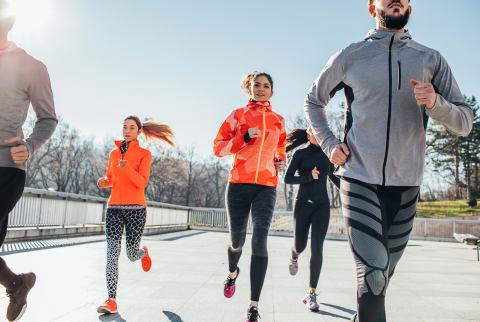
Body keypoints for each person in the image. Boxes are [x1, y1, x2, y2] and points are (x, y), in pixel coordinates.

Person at [304, 1, 473, 321]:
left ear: (410, 6)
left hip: (406, 186)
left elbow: (464, 122)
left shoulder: (430, 59)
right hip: (358, 178)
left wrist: (437, 103)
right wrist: (329, 144)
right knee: (373, 277)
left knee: (379, 281)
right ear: (372, 7)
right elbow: (313, 101)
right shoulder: (350, 56)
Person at [0, 1, 58, 321]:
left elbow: (48, 118)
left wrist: (32, 145)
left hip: (7, 167)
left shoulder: (31, 66)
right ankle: (17, 284)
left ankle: (16, 285)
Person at [213, 71, 286, 322]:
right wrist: (242, 139)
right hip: (239, 185)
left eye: (266, 86)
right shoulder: (238, 115)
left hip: (266, 185)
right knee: (237, 242)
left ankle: (253, 306)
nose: (261, 89)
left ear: (272, 91)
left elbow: (280, 148)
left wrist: (280, 160)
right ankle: (233, 272)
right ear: (249, 89)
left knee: (260, 241)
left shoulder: (278, 120)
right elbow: (218, 147)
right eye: (257, 85)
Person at [96, 115, 174, 315]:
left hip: (136, 210)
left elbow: (142, 183)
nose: (127, 130)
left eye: (131, 127)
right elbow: (112, 177)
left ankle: (143, 253)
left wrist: (128, 167)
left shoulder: (144, 154)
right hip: (114, 208)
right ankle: (111, 300)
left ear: (139, 132)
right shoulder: (114, 153)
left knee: (131, 255)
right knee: (112, 253)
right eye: (124, 127)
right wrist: (105, 181)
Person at [284, 127, 339, 312]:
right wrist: (308, 177)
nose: (319, 134)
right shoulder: (300, 154)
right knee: (300, 245)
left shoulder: (327, 153)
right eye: (315, 132)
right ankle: (294, 255)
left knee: (317, 247)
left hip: (322, 206)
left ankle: (311, 293)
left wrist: (350, 192)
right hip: (303, 205)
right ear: (309, 136)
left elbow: (333, 176)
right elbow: (288, 178)